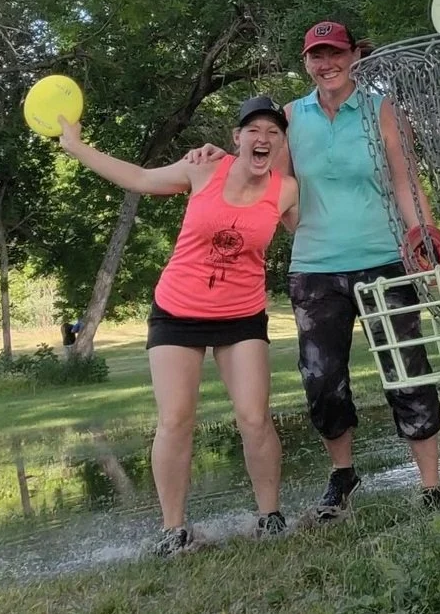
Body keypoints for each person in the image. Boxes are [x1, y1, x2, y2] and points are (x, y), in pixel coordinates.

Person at [189, 20, 440, 519]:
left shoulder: (382, 109)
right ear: (306, 62)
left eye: (335, 53)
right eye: (317, 56)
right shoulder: (291, 117)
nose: (327, 64)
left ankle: (431, 486)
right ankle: (342, 474)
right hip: (314, 270)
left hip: (383, 261)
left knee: (407, 370)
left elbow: (405, 183)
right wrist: (220, 161)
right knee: (322, 379)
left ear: (354, 56)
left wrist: (425, 239)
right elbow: (267, 180)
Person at [59, 96, 299, 556]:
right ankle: (173, 530)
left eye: (273, 132)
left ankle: (270, 517)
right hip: (178, 311)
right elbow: (139, 178)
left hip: (242, 315)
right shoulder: (203, 169)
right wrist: (77, 147)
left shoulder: (286, 190)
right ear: (237, 137)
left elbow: (309, 228)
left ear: (282, 143)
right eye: (253, 130)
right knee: (175, 419)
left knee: (254, 417)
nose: (263, 138)